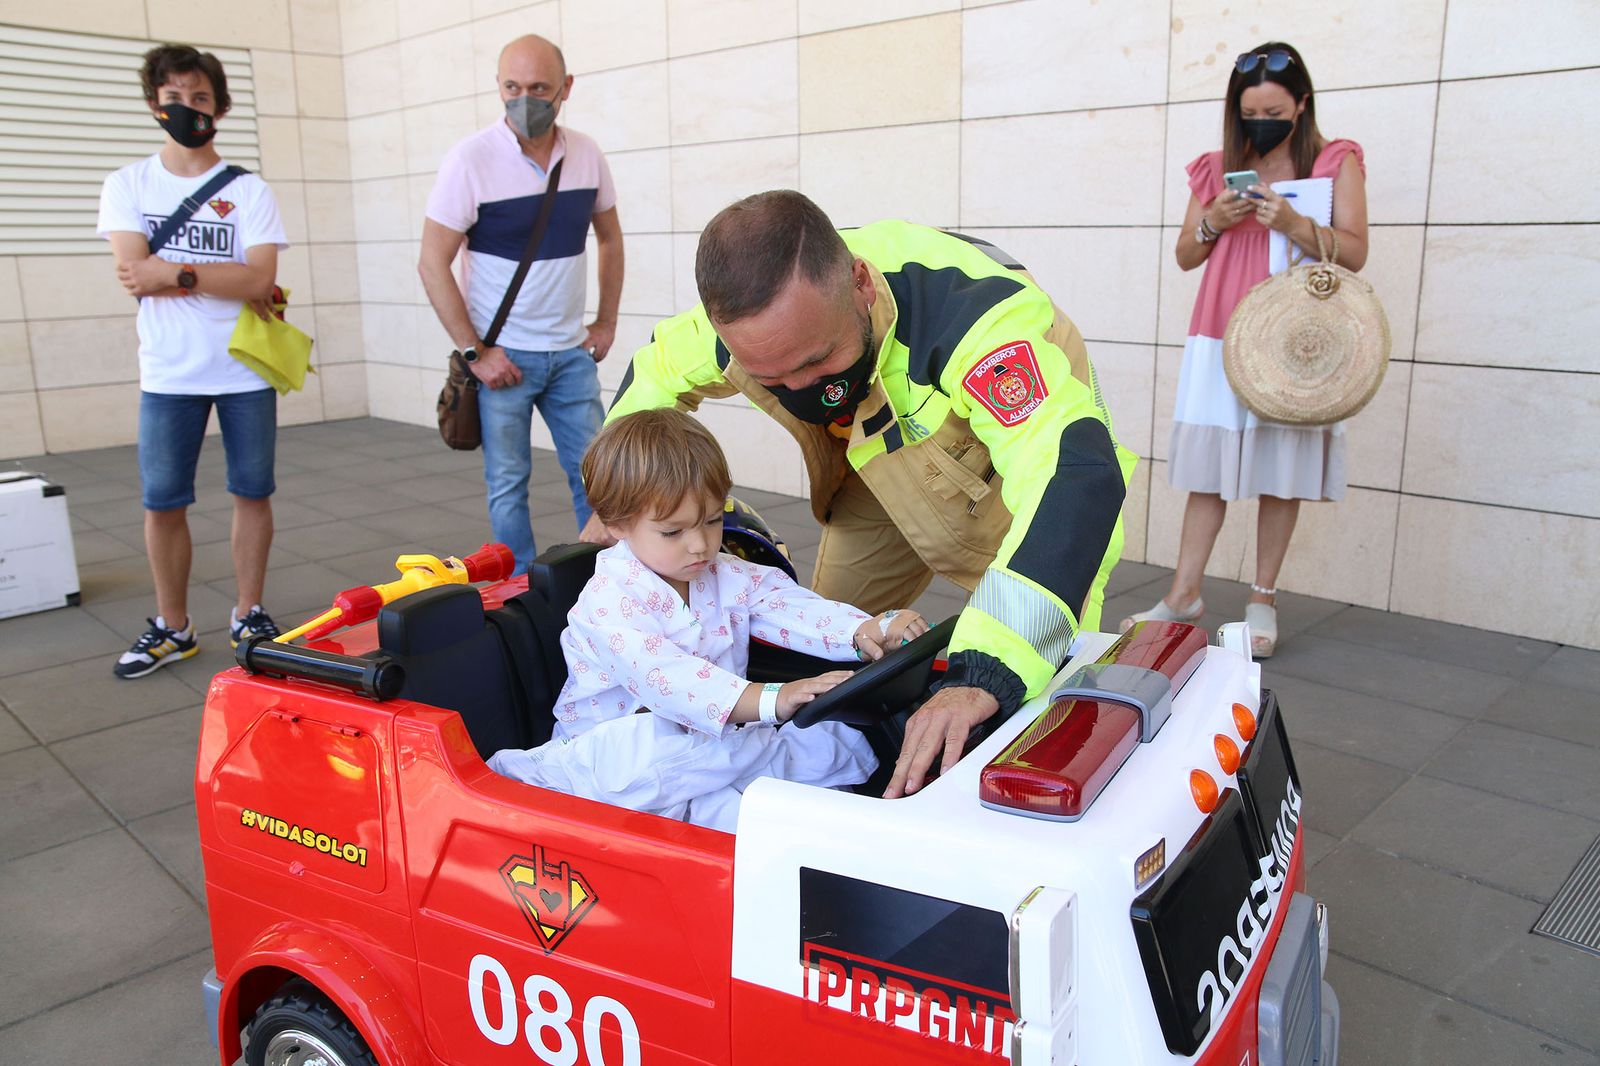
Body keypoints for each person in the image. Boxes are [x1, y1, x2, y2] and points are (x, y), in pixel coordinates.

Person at [587, 191, 1137, 798]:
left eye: (818, 362)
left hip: (998, 475)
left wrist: (986, 672)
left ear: (859, 285)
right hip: (871, 461)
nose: (800, 389)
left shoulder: (978, 321)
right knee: (834, 660)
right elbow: (653, 379)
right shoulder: (740, 321)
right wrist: (620, 504)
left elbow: (1072, 475)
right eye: (773, 379)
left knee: (1035, 674)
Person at [488, 409, 928, 832]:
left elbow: (784, 603)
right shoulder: (607, 603)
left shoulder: (722, 571)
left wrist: (862, 629)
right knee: (711, 790)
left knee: (827, 739)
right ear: (618, 524)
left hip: (714, 733)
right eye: (673, 532)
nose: (700, 545)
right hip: (624, 754)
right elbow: (669, 678)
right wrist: (771, 698)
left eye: (713, 521)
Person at [1123, 42, 1368, 657]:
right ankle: (1183, 593)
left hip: (1297, 336)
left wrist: (1292, 224)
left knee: (1281, 465)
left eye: (1274, 109)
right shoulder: (1214, 167)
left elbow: (1357, 251)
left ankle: (1263, 598)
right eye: (1250, 109)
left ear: (1301, 105)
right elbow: (1186, 254)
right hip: (1220, 329)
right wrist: (1214, 220)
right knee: (1208, 468)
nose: (1261, 120)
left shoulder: (1336, 161)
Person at [97, 44, 288, 679]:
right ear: (156, 105)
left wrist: (171, 270)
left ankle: (249, 612)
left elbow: (260, 279)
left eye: (200, 99)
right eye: (175, 99)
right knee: (163, 502)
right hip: (169, 373)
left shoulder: (250, 189)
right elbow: (132, 275)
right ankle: (172, 626)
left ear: (221, 107)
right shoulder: (128, 185)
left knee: (252, 493)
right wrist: (215, 276)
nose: (188, 110)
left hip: (244, 370)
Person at [419, 34, 624, 576]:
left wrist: (605, 320)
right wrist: (474, 352)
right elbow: (431, 262)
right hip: (502, 359)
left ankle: (608, 582)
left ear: (566, 88)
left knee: (599, 480)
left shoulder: (585, 154)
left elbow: (611, 238)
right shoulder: (470, 160)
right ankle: (520, 593)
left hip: (571, 357)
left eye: (538, 88)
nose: (524, 99)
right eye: (512, 87)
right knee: (508, 487)